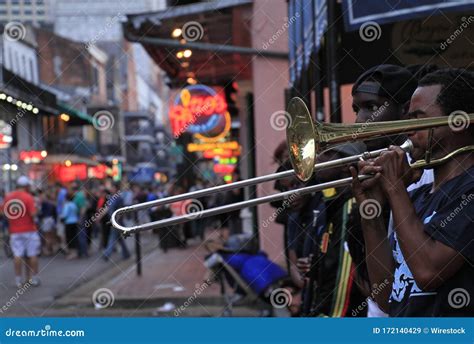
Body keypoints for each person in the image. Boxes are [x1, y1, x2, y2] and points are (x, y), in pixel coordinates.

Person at [352, 68, 474, 316]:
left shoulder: (468, 192)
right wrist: (371, 213)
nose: (409, 129)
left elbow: (429, 272)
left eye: (419, 119)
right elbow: (387, 297)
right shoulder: (417, 197)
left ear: (458, 123)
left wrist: (395, 188)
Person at [1, 176, 41, 287]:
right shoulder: (28, 197)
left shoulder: (8, 197)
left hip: (14, 231)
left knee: (17, 255)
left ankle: (18, 280)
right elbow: (33, 214)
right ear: (26, 186)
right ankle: (33, 279)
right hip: (29, 230)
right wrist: (37, 211)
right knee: (32, 254)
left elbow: (3, 212)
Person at [102, 183, 130, 261]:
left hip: (117, 222)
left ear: (116, 188)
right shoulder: (111, 198)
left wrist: (116, 221)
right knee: (119, 239)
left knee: (112, 237)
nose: (111, 189)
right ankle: (126, 253)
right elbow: (107, 209)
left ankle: (107, 254)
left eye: (112, 187)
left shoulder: (119, 198)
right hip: (113, 221)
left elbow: (121, 211)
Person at [61, 191, 80, 260]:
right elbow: (77, 212)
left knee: (69, 238)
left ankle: (71, 253)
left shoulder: (67, 205)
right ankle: (75, 252)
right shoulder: (74, 204)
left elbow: (65, 214)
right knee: (74, 237)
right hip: (74, 222)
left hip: (68, 223)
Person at [38, 190, 57, 256]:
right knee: (51, 235)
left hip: (46, 219)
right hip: (51, 219)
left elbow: (41, 212)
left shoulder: (44, 203)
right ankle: (51, 249)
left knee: (46, 236)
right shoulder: (52, 203)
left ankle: (48, 250)